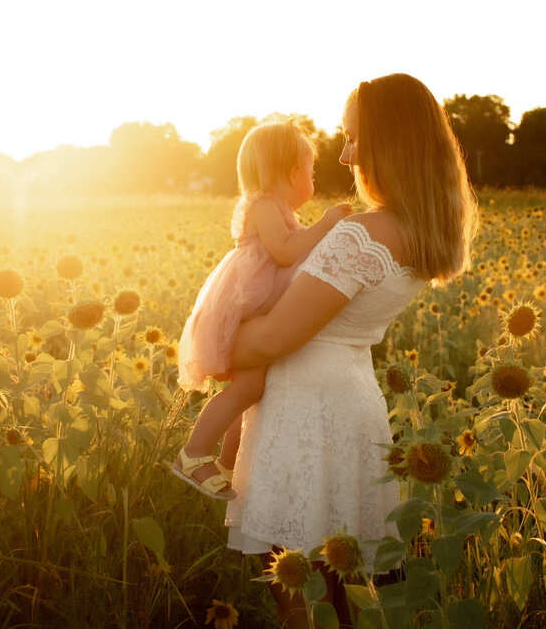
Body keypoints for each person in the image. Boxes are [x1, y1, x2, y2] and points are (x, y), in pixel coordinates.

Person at [225, 74, 478, 626]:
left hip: (305, 407)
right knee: (348, 586)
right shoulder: (416, 229)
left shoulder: (361, 234)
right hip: (352, 400)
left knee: (299, 588)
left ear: (392, 142)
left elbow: (275, 338)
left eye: (354, 138)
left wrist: (210, 338)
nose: (344, 156)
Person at [172, 121, 352, 500]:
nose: (313, 176)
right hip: (246, 308)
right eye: (311, 169)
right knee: (247, 387)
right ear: (292, 172)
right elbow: (285, 252)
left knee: (253, 388)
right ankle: (193, 453)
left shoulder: (276, 207)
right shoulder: (265, 205)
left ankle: (225, 461)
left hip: (256, 309)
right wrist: (326, 224)